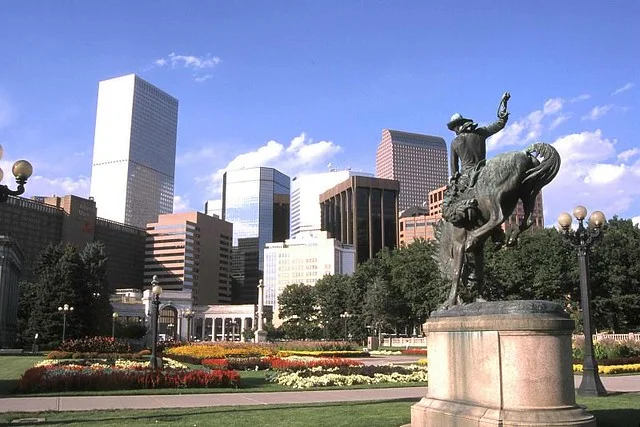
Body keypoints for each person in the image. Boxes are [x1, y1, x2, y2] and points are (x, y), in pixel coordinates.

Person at [443, 93, 510, 226]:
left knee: (449, 207)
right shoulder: (480, 132)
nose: (454, 131)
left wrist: (454, 182)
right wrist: (503, 104)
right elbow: (500, 123)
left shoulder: (455, 142)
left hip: (467, 176)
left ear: (457, 127)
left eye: (454, 129)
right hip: (484, 170)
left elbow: (454, 169)